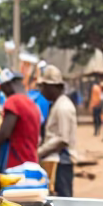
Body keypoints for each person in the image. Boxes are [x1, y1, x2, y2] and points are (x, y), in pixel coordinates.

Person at [0, 68, 42, 171]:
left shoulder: (13, 101)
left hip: (16, 164)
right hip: (31, 162)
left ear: (7, 86)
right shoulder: (32, 104)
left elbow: (4, 133)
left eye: (2, 89)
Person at [37, 66, 77, 197]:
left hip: (61, 161)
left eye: (44, 87)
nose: (42, 91)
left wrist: (39, 152)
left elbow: (62, 139)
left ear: (52, 87)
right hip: (55, 160)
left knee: (64, 200)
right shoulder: (57, 104)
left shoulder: (63, 107)